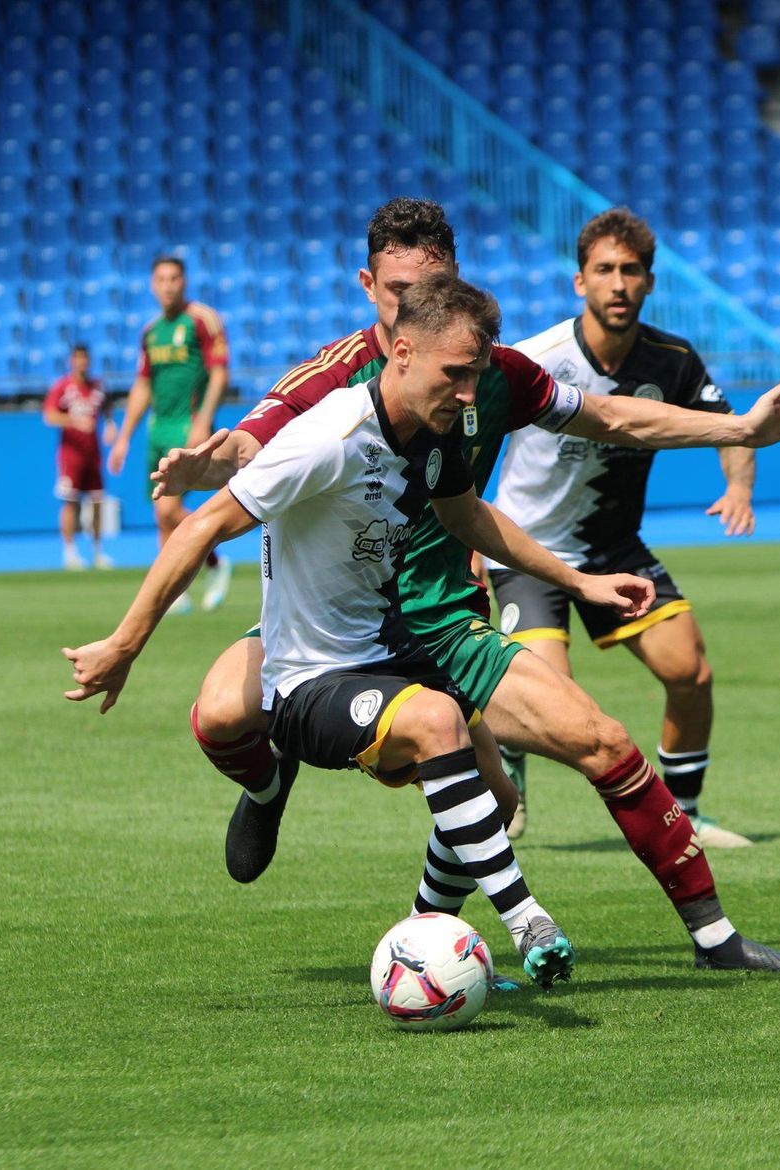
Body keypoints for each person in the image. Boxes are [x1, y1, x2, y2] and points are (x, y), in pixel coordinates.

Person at [156, 198, 780, 972]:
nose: (420, 306)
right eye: (401, 292)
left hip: (443, 619)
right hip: (338, 627)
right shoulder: (334, 383)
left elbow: (613, 418)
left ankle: (711, 942)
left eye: (436, 285)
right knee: (216, 716)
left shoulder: (486, 371)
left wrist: (741, 429)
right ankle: (271, 787)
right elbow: (253, 444)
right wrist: (214, 463)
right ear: (370, 287)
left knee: (587, 749)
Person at [63, 276, 645, 986]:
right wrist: (124, 645)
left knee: (498, 797)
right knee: (435, 722)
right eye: (455, 375)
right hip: (308, 678)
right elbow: (207, 523)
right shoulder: (328, 438)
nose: (469, 395)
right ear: (402, 353)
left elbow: (468, 518)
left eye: (475, 377)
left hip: (390, 649)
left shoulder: (433, 429)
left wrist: (579, 582)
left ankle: (422, 940)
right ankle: (528, 921)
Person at [487, 208, 758, 847]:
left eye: (631, 271)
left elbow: (729, 424)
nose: (619, 283)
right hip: (529, 549)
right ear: (579, 282)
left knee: (690, 672)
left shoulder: (673, 361)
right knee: (551, 698)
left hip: (613, 548)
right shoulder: (535, 362)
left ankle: (685, 813)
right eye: (604, 270)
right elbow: (469, 446)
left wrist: (739, 484)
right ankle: (510, 758)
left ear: (649, 283)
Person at [108, 256, 232, 611]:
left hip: (186, 424)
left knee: (167, 510)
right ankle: (174, 593)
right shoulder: (151, 332)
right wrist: (123, 437)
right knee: (160, 512)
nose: (167, 285)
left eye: (174, 278)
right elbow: (143, 384)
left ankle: (216, 560)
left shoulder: (202, 320)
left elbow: (220, 374)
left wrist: (202, 422)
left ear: (184, 281)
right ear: (152, 284)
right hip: (157, 428)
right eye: (161, 279)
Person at [44, 343, 115, 570]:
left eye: (85, 358)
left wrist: (111, 425)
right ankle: (70, 552)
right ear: (71, 361)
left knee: (97, 501)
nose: (82, 363)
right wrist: (74, 421)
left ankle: (97, 551)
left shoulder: (98, 387)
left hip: (93, 455)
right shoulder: (63, 387)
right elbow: (49, 416)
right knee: (70, 502)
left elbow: (107, 409)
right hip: (70, 456)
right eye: (78, 358)